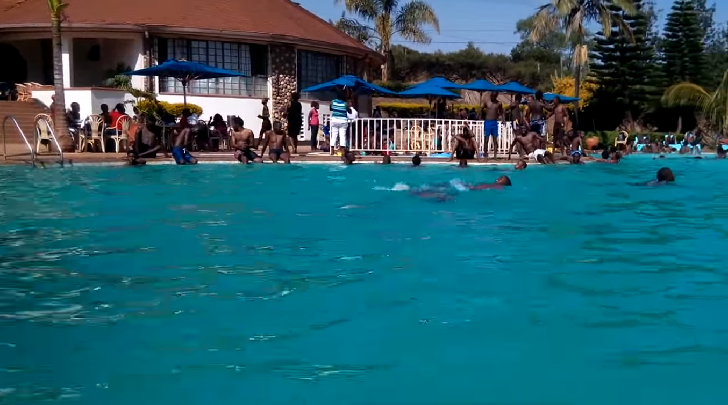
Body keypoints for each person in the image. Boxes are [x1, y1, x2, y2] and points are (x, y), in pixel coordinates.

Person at [482, 92, 503, 159]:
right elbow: (481, 108)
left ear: (496, 96)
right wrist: (481, 116)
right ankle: (485, 154)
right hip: (487, 122)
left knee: (495, 139)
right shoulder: (487, 102)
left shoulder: (499, 103)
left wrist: (503, 118)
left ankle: (495, 156)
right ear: (490, 95)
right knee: (486, 139)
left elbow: (502, 111)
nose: (493, 97)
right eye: (492, 96)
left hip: (494, 122)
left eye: (494, 96)